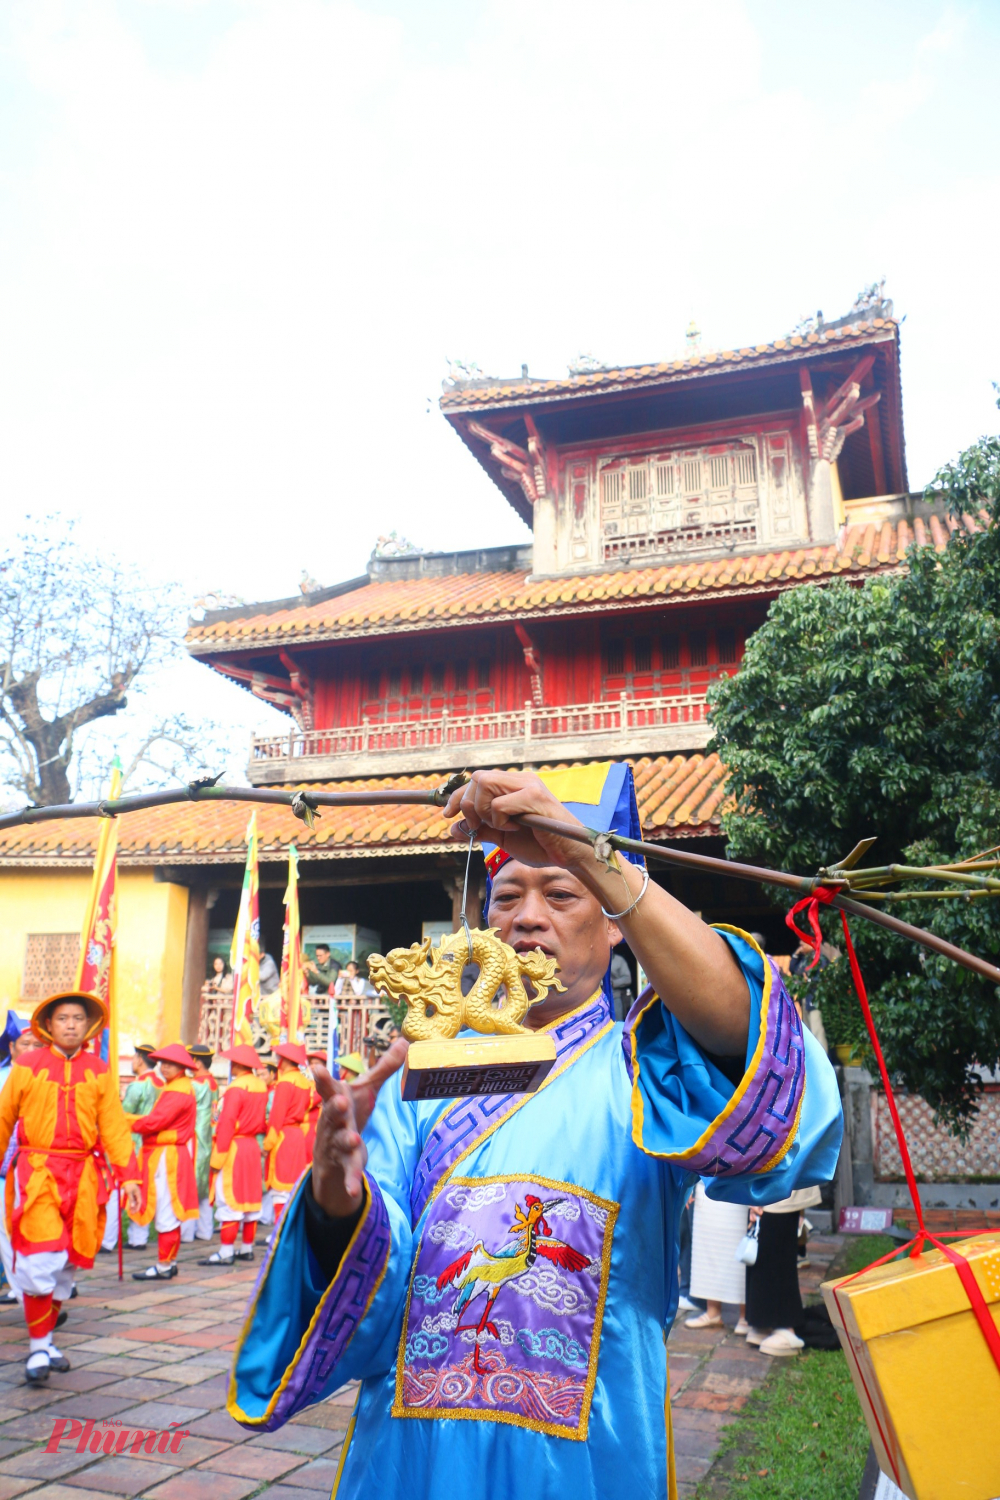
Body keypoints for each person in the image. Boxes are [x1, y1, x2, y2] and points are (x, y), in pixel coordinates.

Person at [226, 763, 841, 1497]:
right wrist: (337, 1193)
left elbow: (760, 1064)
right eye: (508, 895)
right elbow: (378, 1283)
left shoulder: (652, 1072)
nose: (527, 916)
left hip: (586, 1450)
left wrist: (589, 852)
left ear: (615, 923)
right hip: (416, 1449)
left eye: (561, 893)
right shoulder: (423, 1078)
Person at [0, 992, 140, 1383]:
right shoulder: (26, 1066)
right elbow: (3, 1117)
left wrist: (129, 1175)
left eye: (78, 1018)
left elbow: (113, 1126)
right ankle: (36, 1350)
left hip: (83, 1176)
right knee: (38, 1259)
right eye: (63, 1018)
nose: (71, 1025)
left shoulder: (98, 1070)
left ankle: (45, 1342)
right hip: (37, 1172)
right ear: (49, 1024)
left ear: (89, 1024)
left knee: (67, 1264)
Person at [125, 1044, 200, 1280]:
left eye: (171, 1063)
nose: (165, 1067)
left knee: (167, 1210)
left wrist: (121, 1119)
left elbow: (153, 1123)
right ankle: (169, 1262)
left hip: (167, 1156)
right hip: (168, 1153)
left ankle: (164, 1266)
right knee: (170, 1209)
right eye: (162, 1062)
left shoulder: (178, 1089)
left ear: (182, 1067)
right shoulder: (176, 1086)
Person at [201, 1044, 267, 1266]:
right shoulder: (261, 1086)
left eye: (232, 1062)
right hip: (251, 1146)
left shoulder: (235, 1088)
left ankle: (226, 1251)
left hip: (234, 1147)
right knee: (250, 1198)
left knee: (227, 1197)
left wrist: (217, 1158)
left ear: (239, 1064)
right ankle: (246, 1248)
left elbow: (227, 1123)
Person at [743, 1184, 824, 1356]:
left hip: (779, 1175)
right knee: (760, 1241)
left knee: (776, 1240)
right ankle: (763, 1320)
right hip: (763, 1176)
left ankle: (786, 1327)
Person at [0, 1027, 35, 1304]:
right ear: (11, 1047)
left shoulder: (45, 1077)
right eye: (26, 1044)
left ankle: (38, 1292)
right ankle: (29, 1298)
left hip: (33, 1168)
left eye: (37, 1044)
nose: (32, 1050)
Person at [684, 1183, 748, 1333]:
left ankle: (745, 1315)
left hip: (740, 1173)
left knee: (738, 1241)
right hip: (705, 1174)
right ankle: (712, 1311)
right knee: (707, 1242)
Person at [263, 1042, 312, 1226]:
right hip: (298, 1136)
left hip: (283, 1136)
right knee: (292, 1186)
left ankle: (280, 1230)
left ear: (284, 1060)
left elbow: (276, 1116)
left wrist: (268, 1144)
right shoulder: (305, 1082)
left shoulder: (284, 1082)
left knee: (280, 1187)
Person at [120, 1044, 163, 1250]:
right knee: (146, 1187)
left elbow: (122, 1115)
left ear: (139, 1059)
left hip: (134, 1142)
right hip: (153, 1143)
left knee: (129, 1189)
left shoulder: (138, 1086)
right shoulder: (162, 1084)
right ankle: (140, 1235)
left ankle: (136, 1238)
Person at [183, 1043, 217, 1242]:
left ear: (196, 1062)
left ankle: (186, 1233)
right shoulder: (213, 1083)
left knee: (189, 1183)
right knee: (204, 1185)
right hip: (208, 1137)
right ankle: (204, 1230)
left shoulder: (193, 1085)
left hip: (194, 1136)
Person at [304, 1050, 327, 1157]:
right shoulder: (306, 1082)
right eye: (311, 1063)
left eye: (316, 1063)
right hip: (308, 1127)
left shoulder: (327, 1083)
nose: (312, 1066)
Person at [609, 949, 633, 1021]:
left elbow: (627, 979)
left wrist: (613, 983)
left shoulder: (619, 960)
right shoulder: (597, 960)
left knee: (617, 1022)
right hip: (599, 998)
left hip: (616, 997)